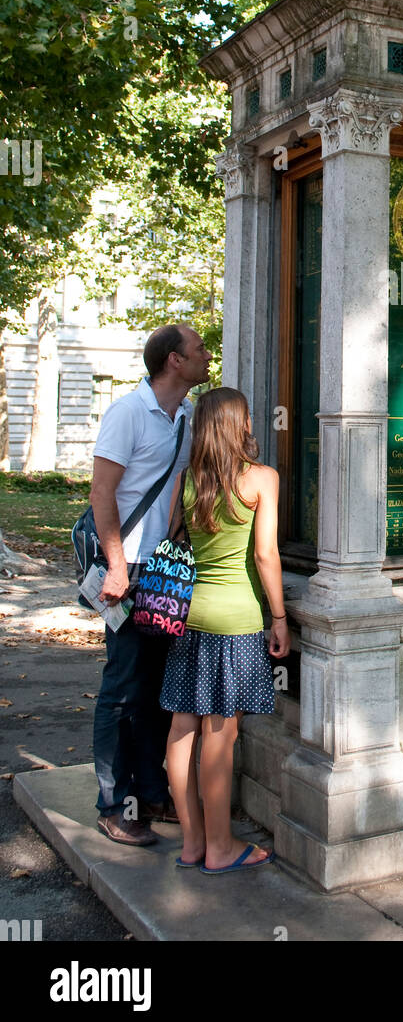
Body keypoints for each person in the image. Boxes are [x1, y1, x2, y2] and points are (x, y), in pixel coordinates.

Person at [90, 323, 211, 844]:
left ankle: (151, 790)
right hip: (129, 570)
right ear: (173, 362)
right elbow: (102, 492)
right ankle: (116, 804)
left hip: (166, 572)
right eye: (200, 349)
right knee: (122, 688)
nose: (208, 355)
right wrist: (117, 567)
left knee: (158, 687)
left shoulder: (185, 415)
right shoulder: (127, 413)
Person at [160, 387, 290, 873]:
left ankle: (192, 844)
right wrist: (278, 617)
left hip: (187, 616)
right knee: (221, 730)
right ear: (241, 425)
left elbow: (176, 545)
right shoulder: (261, 480)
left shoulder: (186, 481)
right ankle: (221, 848)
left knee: (181, 727)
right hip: (235, 621)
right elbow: (265, 555)